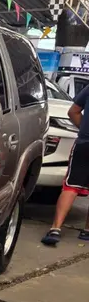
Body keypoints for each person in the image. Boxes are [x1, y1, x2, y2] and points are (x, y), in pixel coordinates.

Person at [41, 83, 89, 246]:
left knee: (71, 187)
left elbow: (73, 112)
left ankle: (55, 229)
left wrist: (84, 129)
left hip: (84, 144)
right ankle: (87, 231)